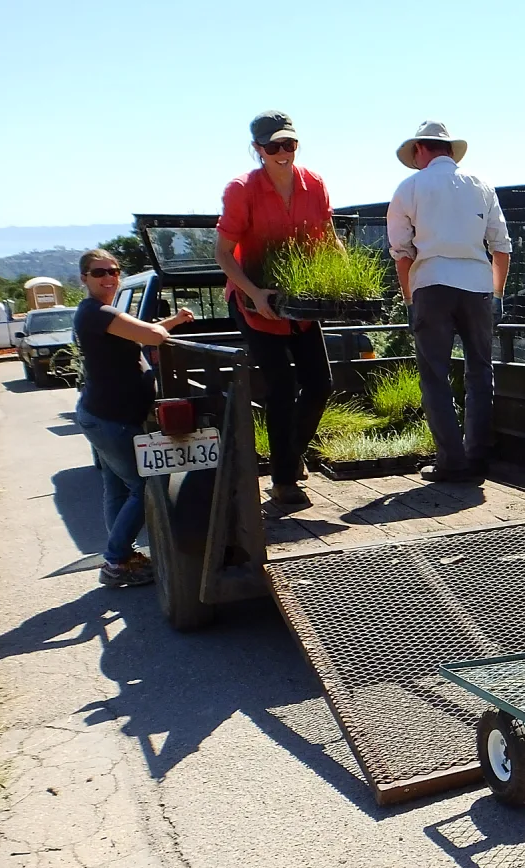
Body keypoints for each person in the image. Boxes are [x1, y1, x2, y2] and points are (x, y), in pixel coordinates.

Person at [216, 110, 336, 506]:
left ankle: (288, 455)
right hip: (254, 300)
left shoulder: (314, 183)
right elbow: (223, 252)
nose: (283, 152)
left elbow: (328, 239)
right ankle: (284, 481)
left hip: (299, 301)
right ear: (258, 150)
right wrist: (254, 292)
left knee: (320, 383)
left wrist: (343, 279)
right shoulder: (241, 189)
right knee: (282, 386)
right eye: (273, 146)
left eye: (290, 143)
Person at [387, 120, 512, 483]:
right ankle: (477, 458)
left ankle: (451, 462)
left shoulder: (409, 188)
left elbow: (402, 254)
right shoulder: (481, 185)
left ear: (419, 150)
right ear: (448, 150)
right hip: (477, 287)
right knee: (480, 372)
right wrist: (498, 295)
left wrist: (411, 301)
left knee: (435, 377)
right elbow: (501, 247)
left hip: (431, 285)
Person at [73, 248, 193, 588]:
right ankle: (114, 560)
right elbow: (152, 337)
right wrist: (164, 330)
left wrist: (174, 321)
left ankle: (122, 557)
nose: (109, 277)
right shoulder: (97, 312)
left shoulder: (99, 312)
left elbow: (144, 331)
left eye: (113, 271)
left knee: (117, 489)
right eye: (99, 273)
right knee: (144, 487)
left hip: (105, 415)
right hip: (111, 419)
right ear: (84, 278)